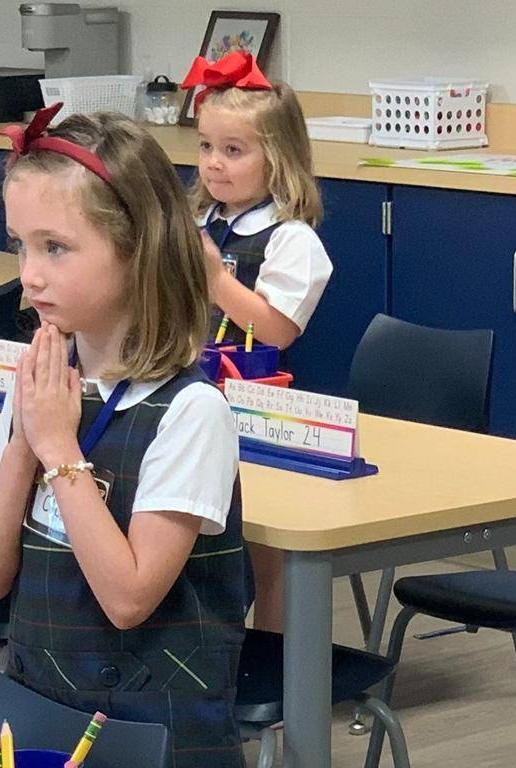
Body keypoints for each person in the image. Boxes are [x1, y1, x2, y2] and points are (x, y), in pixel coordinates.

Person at [0, 103, 249, 768]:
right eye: (20, 245)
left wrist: (60, 451)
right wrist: (25, 442)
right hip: (39, 719)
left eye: (55, 247)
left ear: (136, 247)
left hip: (155, 737)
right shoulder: (42, 388)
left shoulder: (190, 412)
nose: (30, 274)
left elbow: (128, 598)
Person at [183, 51, 333, 631]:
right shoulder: (200, 224)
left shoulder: (291, 239)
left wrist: (216, 279)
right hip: (192, 393)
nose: (213, 165)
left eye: (233, 150)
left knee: (266, 548)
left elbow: (276, 327)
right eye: (205, 147)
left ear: (280, 159)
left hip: (256, 405)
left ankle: (271, 660)